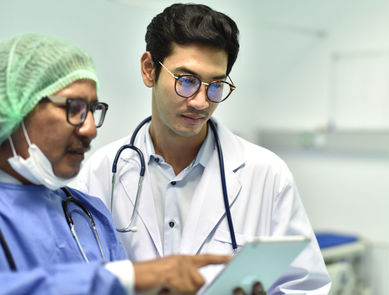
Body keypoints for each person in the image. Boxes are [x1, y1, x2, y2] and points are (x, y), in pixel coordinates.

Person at [76, 3, 331, 294]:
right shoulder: (101, 172)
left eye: (216, 85)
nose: (201, 102)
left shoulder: (266, 174)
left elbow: (306, 286)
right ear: (149, 70)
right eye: (186, 81)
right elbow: (82, 279)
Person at [0, 32, 232, 295]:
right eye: (74, 108)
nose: (90, 129)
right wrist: (127, 276)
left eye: (92, 109)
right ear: (15, 105)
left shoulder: (88, 213)